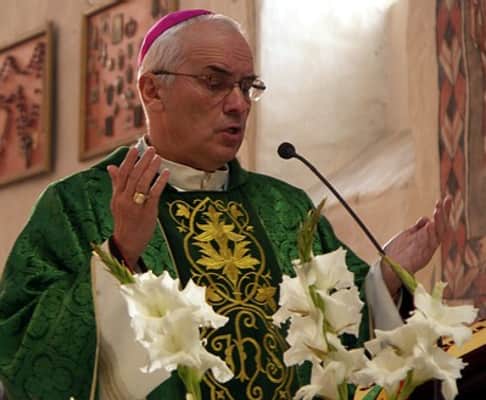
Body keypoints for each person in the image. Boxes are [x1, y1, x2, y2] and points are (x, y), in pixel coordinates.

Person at [0, 9, 451, 400]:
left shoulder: (285, 207)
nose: (238, 104)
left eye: (247, 86)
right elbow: (26, 354)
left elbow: (342, 335)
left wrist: (383, 279)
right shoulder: (79, 204)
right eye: (214, 83)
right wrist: (119, 255)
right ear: (152, 91)